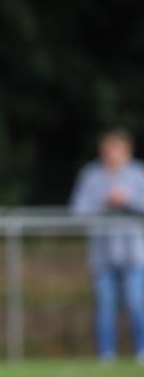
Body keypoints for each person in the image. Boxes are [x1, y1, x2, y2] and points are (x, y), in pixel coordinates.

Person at [70, 128, 144, 363]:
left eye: (117, 151)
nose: (112, 156)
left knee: (136, 304)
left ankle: (141, 351)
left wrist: (128, 200)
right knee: (105, 309)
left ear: (127, 152)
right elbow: (77, 209)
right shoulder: (91, 176)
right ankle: (106, 355)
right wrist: (103, 202)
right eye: (108, 152)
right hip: (102, 255)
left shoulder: (138, 174)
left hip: (134, 254)